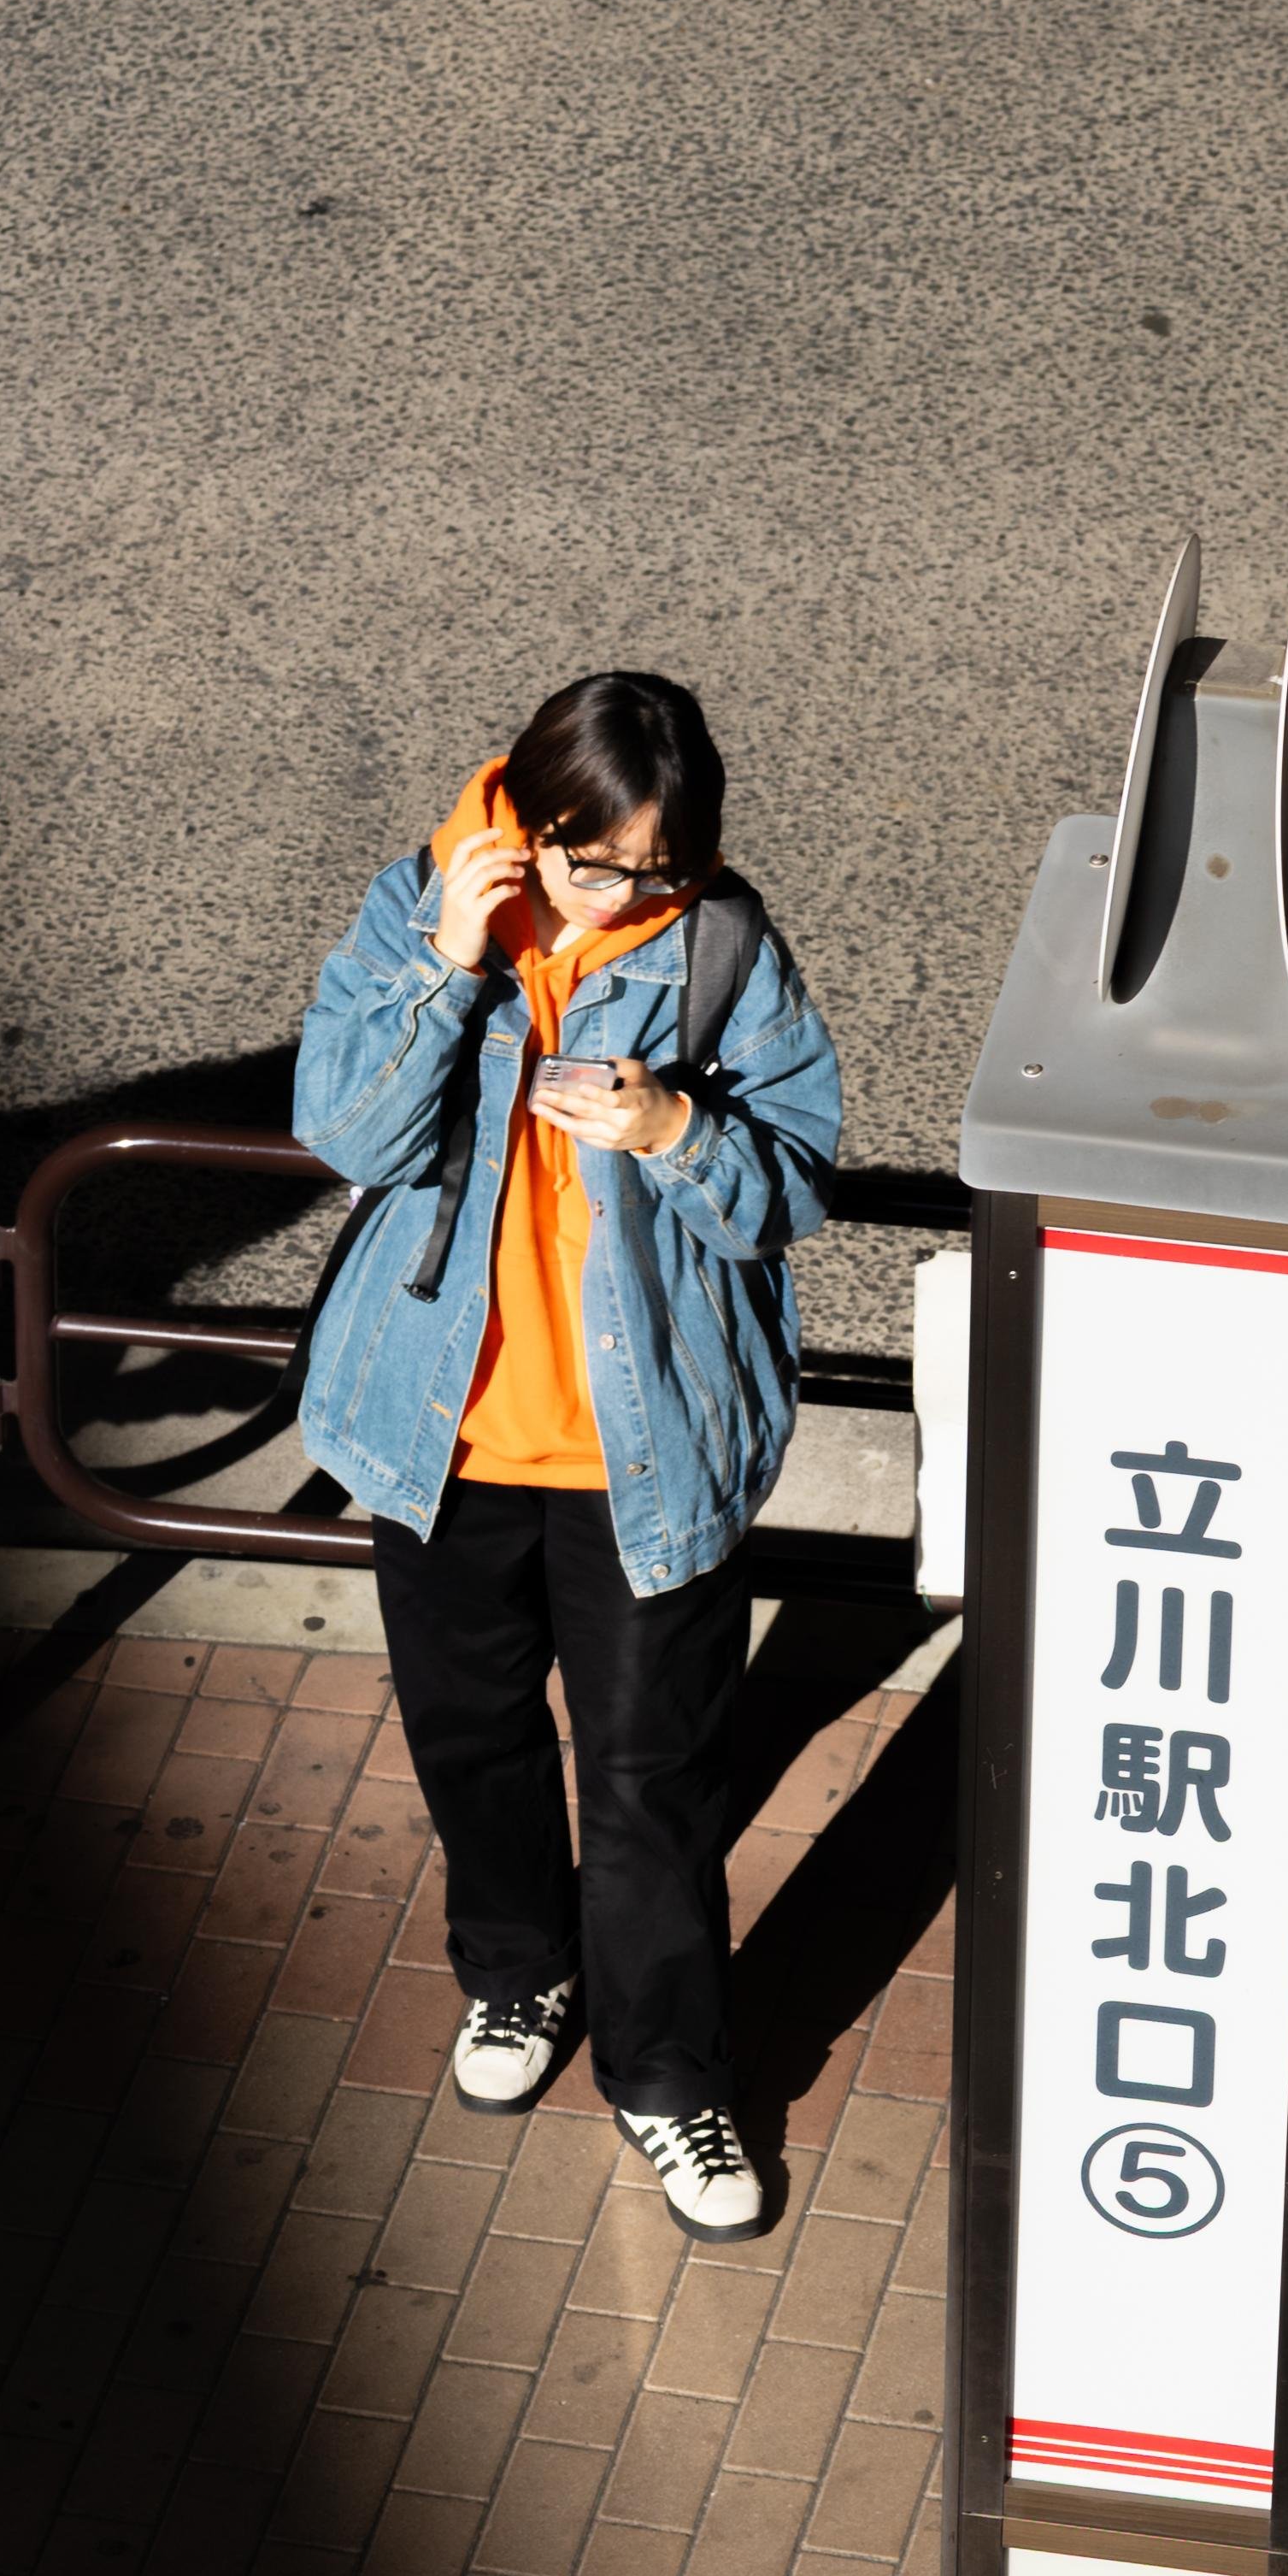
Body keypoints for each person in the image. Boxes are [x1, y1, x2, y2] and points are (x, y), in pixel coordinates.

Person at [291, 668, 843, 2240]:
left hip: (642, 1448)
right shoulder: (422, 909)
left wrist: (680, 1133)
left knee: (653, 1779)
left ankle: (672, 2080)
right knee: (470, 1738)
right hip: (438, 1437)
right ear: (533, 825)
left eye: (661, 868)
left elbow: (795, 1190)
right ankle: (519, 1978)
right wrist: (451, 966)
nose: (627, 898)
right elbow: (347, 1135)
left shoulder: (722, 949)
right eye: (598, 865)